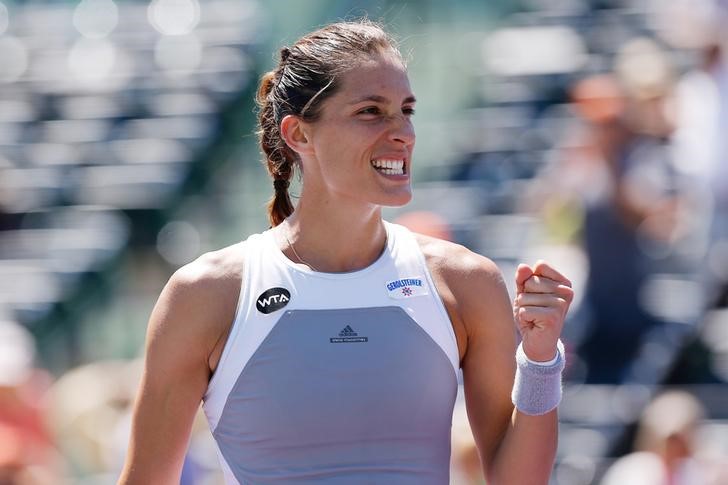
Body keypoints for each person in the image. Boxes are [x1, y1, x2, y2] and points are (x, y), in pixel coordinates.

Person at [118, 20, 573, 485]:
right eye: (372, 112)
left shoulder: (466, 282)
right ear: (299, 135)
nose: (403, 133)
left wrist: (539, 361)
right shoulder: (206, 294)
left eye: (407, 110)